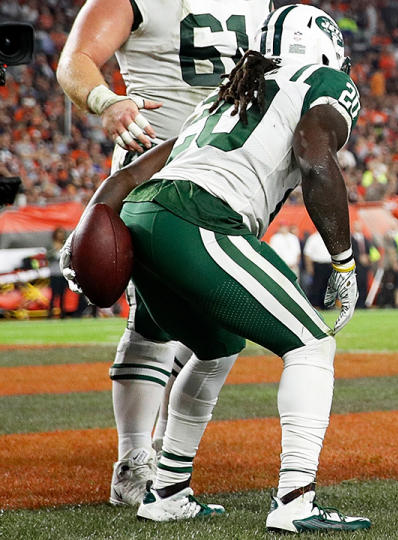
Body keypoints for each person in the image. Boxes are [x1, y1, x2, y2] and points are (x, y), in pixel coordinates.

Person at [62, 6, 369, 532]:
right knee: (313, 346)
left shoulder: (224, 95)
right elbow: (314, 152)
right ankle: (296, 501)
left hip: (143, 214)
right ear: (323, 47)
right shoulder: (323, 80)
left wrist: (85, 231)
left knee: (216, 348)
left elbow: (132, 174)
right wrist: (343, 258)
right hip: (201, 216)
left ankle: (168, 492)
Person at [56, 0, 271, 507]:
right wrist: (107, 101)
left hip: (234, 175)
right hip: (155, 167)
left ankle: (163, 462)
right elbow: (76, 59)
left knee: (214, 326)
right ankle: (136, 462)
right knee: (154, 321)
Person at [303, 230, 333, 308]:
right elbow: (307, 253)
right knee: (317, 286)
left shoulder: (330, 237)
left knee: (328, 286)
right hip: (318, 264)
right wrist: (309, 267)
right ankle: (315, 305)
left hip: (329, 264)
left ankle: (326, 306)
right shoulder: (313, 238)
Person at [47, 227, 69, 318]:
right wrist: (54, 252)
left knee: (63, 294)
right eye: (58, 233)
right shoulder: (51, 245)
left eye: (62, 233)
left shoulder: (66, 245)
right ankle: (50, 313)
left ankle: (62, 313)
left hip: (62, 273)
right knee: (53, 294)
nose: (60, 235)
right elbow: (47, 256)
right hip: (54, 273)